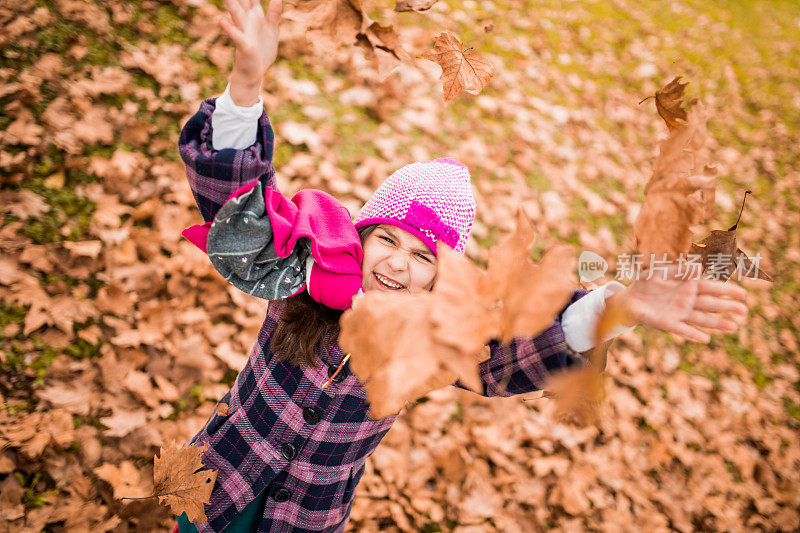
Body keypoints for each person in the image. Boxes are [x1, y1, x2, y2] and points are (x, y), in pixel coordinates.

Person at [172, 0, 749, 531]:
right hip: (217, 484)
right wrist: (246, 84)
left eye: (423, 256)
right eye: (388, 240)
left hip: (303, 518)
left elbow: (513, 356)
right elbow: (237, 210)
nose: (398, 263)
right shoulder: (302, 274)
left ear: (440, 277)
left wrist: (615, 306)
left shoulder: (434, 336)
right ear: (361, 237)